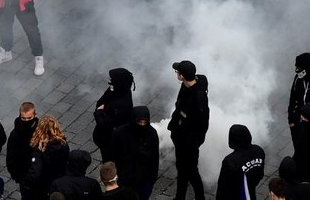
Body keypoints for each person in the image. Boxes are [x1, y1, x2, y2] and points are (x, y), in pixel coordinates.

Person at [167, 60, 209, 200]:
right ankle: (180, 197)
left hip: (189, 143)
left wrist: (194, 142)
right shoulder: (185, 86)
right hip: (180, 138)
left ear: (182, 76)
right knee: (181, 169)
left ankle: (200, 197)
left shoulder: (199, 97)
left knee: (191, 172)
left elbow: (203, 123)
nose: (176, 74)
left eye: (177, 72)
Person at [110, 106, 158, 200]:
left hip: (143, 182)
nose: (142, 125)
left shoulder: (151, 133)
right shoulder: (119, 133)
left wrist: (151, 181)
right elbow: (113, 156)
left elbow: (155, 158)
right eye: (140, 122)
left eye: (145, 122)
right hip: (124, 181)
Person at [22, 115, 70, 200]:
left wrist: (26, 183)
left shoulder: (39, 150)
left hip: (43, 186)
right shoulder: (63, 143)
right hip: (59, 182)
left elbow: (35, 173)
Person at [92, 68, 134, 162]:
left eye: (112, 79)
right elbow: (101, 101)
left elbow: (104, 123)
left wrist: (98, 112)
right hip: (106, 136)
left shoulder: (121, 105)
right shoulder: (116, 89)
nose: (109, 81)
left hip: (110, 140)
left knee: (109, 160)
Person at [214, 125, 265, 200]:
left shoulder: (230, 161)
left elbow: (223, 188)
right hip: (250, 191)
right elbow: (260, 174)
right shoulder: (259, 150)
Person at [7, 102, 39, 198]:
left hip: (40, 175)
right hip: (24, 177)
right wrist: (17, 175)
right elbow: (10, 157)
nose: (26, 121)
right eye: (23, 118)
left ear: (35, 114)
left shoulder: (40, 131)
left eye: (29, 118)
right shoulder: (15, 135)